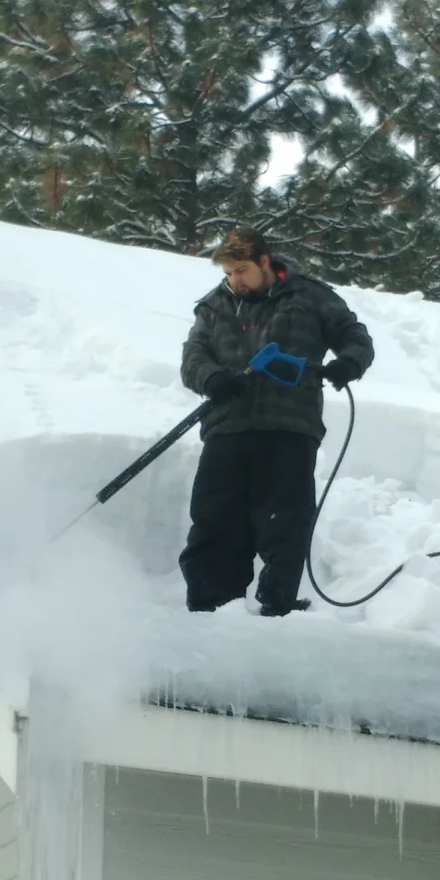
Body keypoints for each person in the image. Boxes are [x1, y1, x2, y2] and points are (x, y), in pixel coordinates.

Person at [178, 226, 375, 615]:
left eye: (242, 271)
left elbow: (356, 336)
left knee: (284, 522)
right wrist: (212, 379)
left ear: (265, 261)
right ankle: (209, 608)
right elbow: (193, 358)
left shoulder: (310, 296)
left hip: (289, 427)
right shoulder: (214, 306)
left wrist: (348, 363)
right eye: (229, 273)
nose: (235, 281)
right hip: (227, 428)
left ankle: (276, 607)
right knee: (215, 521)